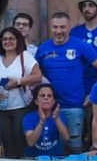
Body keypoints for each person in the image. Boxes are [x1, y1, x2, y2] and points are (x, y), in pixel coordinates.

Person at [31, 12, 93, 153]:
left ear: (69, 27)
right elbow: (35, 74)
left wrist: (93, 94)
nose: (58, 31)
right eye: (55, 27)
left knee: (75, 148)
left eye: (62, 27)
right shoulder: (43, 48)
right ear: (50, 27)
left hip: (74, 107)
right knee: (52, 148)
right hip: (48, 108)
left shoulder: (80, 45)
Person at [0, 26, 37, 158]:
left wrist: (18, 82)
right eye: (4, 39)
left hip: (21, 108)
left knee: (21, 143)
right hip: (2, 109)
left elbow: (37, 76)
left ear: (18, 40)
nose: (8, 41)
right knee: (7, 144)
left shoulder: (25, 57)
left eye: (11, 39)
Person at [22, 84, 71, 158]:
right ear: (36, 101)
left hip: (55, 157)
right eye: (42, 95)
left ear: (53, 101)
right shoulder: (29, 117)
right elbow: (30, 142)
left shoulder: (59, 115)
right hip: (34, 158)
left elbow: (66, 138)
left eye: (49, 96)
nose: (46, 98)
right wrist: (41, 122)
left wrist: (57, 119)